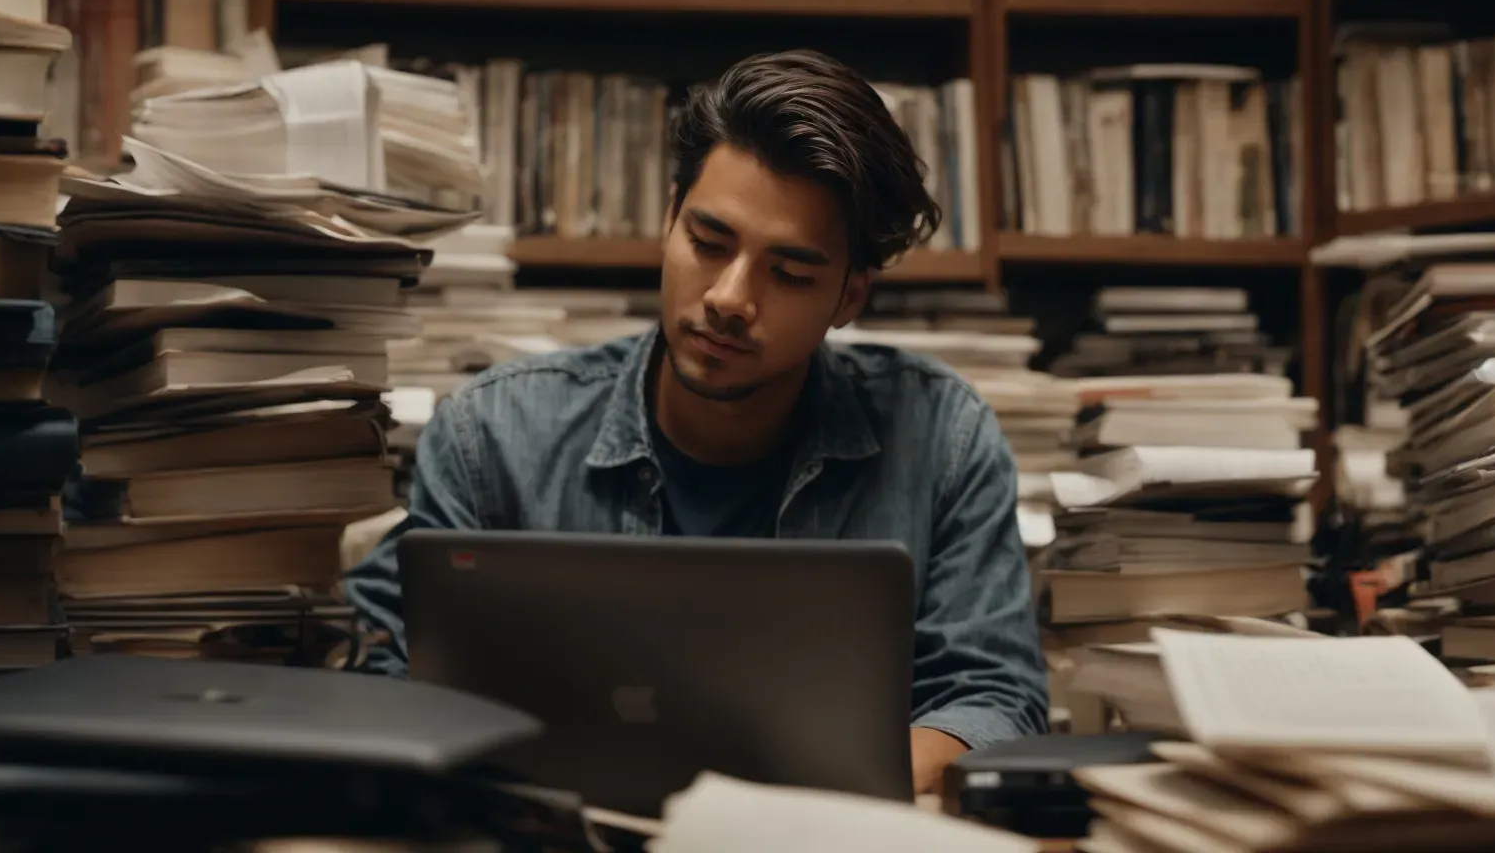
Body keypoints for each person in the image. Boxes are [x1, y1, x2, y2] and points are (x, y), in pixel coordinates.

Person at [344, 50, 1047, 795]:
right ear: (669, 216)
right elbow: (382, 665)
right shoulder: (493, 436)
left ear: (848, 298)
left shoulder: (943, 439)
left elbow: (994, 700)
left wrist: (822, 794)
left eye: (791, 274)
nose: (729, 298)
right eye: (708, 243)